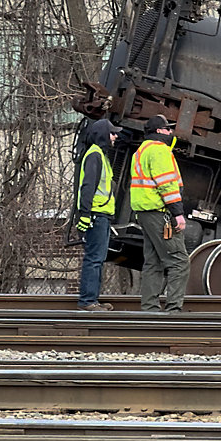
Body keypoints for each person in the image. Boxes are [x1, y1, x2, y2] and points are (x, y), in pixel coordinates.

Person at [130, 114, 188, 312]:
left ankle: (150, 309)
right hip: (159, 212)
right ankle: (173, 311)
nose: (171, 132)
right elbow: (167, 185)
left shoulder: (140, 151)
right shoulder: (159, 150)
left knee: (153, 261)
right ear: (159, 131)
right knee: (179, 260)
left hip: (145, 213)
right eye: (168, 129)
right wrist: (178, 213)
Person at [74, 118, 121, 311]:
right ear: (102, 134)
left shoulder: (100, 155)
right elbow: (87, 187)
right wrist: (85, 215)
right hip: (95, 215)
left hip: (101, 215)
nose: (115, 136)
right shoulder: (95, 156)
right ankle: (88, 301)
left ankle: (93, 299)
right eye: (112, 133)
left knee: (98, 258)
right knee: (94, 258)